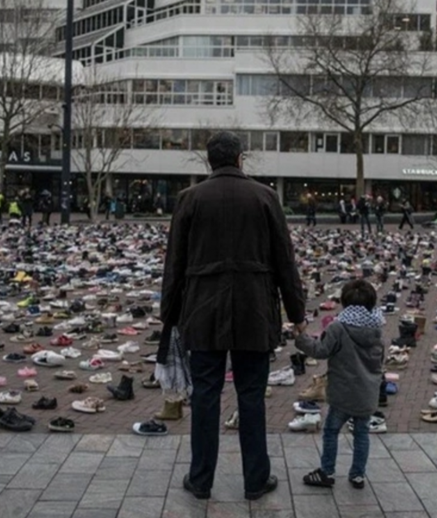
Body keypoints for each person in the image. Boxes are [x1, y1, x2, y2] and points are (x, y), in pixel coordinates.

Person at [159, 131, 306, 502]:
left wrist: (169, 314)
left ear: (210, 160)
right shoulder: (265, 197)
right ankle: (256, 479)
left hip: (202, 309)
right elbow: (284, 262)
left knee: (205, 395)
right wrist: (297, 313)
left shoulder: (189, 199)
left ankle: (200, 479)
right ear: (241, 158)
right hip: (253, 308)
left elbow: (174, 263)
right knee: (251, 395)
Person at [293, 279, 384, 490]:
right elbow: (380, 361)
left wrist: (301, 339)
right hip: (367, 393)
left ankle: (327, 472)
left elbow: (321, 351)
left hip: (343, 393)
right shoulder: (377, 328)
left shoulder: (339, 327)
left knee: (331, 431)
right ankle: (358, 475)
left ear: (344, 301)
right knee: (361, 433)